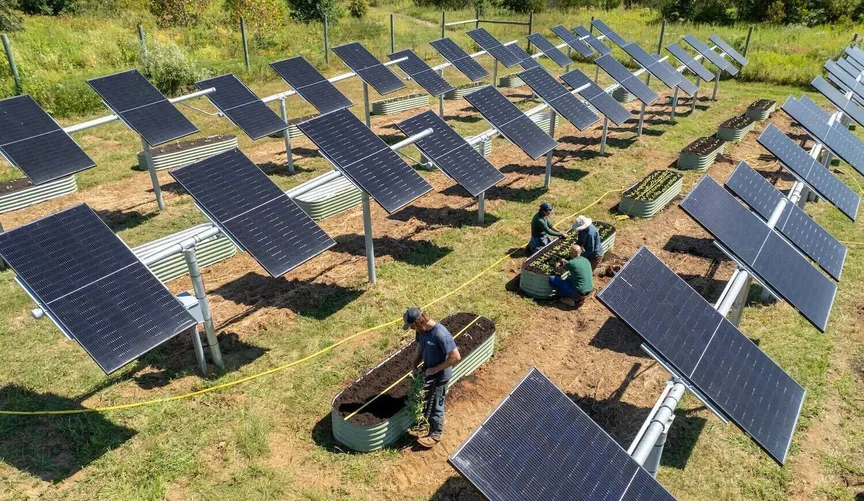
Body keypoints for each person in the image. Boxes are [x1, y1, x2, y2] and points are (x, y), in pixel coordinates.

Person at [404, 307, 461, 448]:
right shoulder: (421, 332)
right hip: (429, 371)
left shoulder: (441, 334)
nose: (412, 330)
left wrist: (435, 369)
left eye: (412, 326)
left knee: (436, 404)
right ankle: (430, 422)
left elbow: (455, 357)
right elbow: (420, 347)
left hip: (440, 376)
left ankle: (436, 434)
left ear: (419, 322)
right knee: (429, 400)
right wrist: (414, 364)